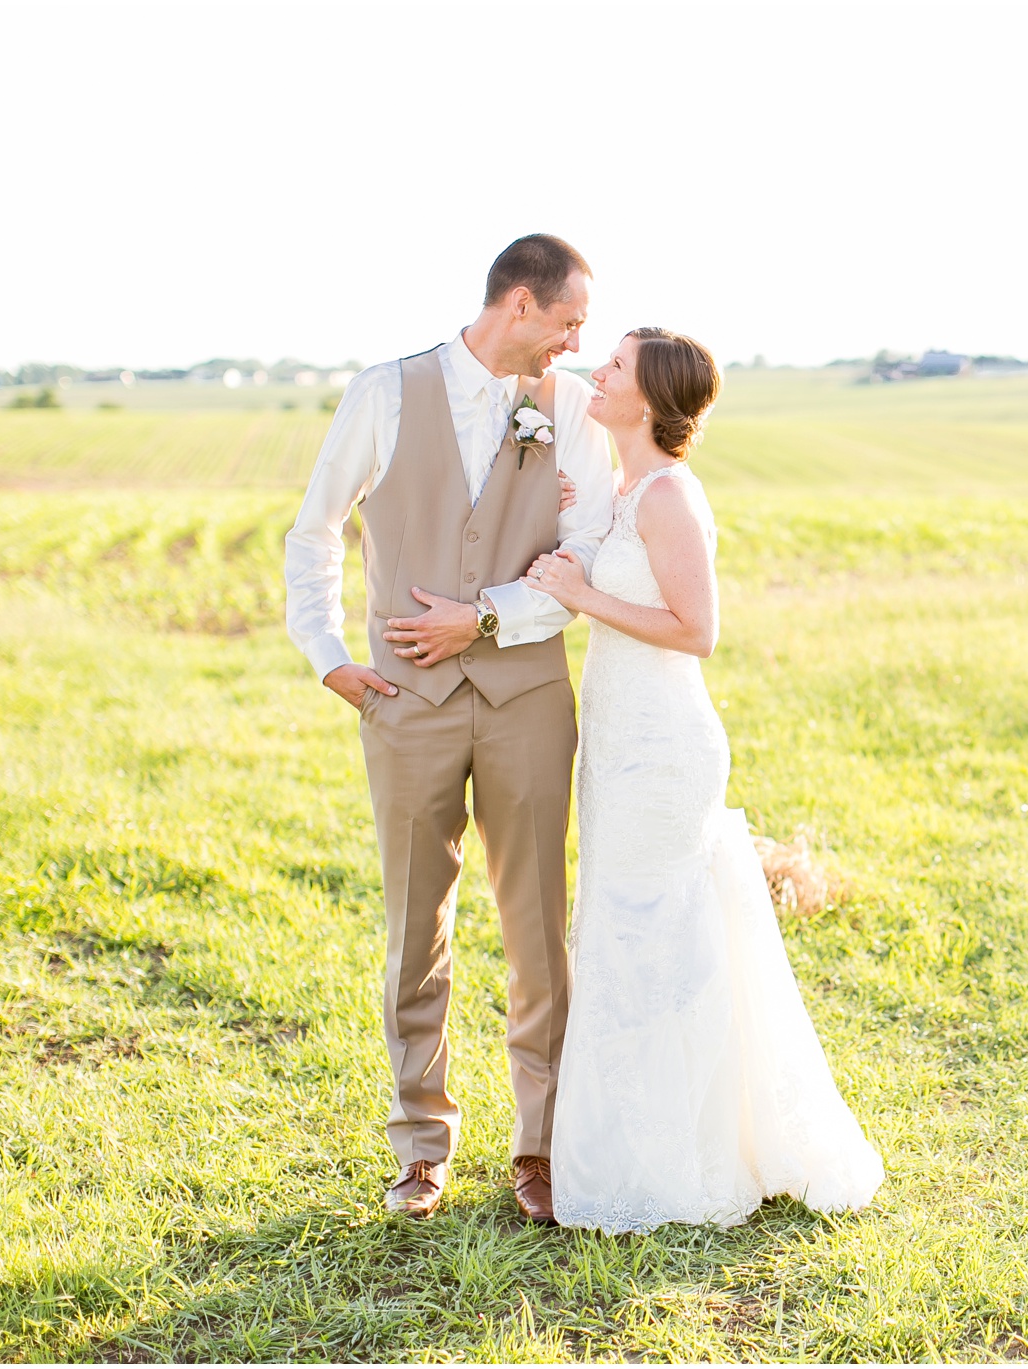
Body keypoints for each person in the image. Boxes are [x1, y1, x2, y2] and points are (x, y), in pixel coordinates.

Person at [283, 234, 613, 1222]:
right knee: (413, 926)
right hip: (403, 708)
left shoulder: (577, 411)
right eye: (567, 322)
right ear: (519, 304)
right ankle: (419, 1146)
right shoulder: (382, 394)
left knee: (537, 930)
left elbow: (586, 555)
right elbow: (314, 528)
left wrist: (483, 617)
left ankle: (541, 1147)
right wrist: (324, 650)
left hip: (527, 702)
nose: (575, 341)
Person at [524, 327, 883, 1232]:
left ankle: (677, 1161)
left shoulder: (672, 495)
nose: (596, 375)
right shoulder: (626, 486)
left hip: (663, 748)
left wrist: (582, 597)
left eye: (613, 368)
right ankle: (635, 1143)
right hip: (616, 741)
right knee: (621, 929)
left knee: (653, 938)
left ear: (646, 401)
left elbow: (696, 629)